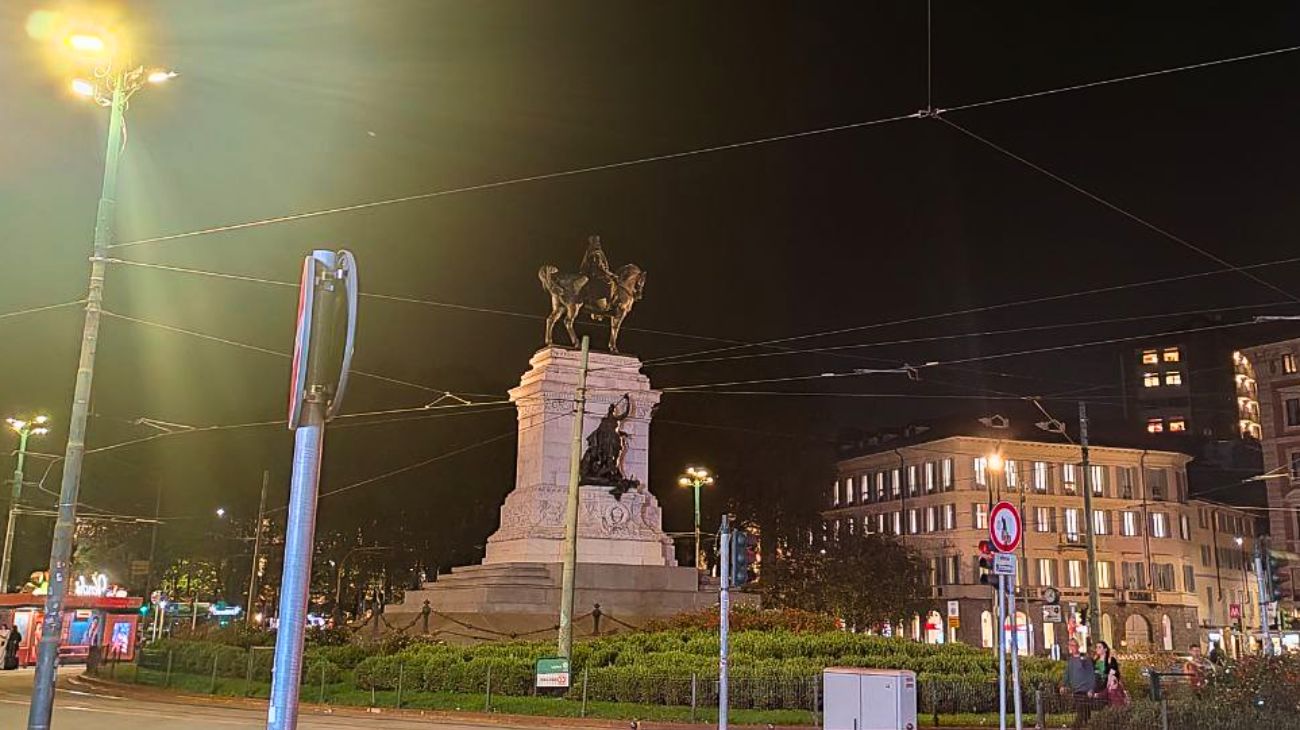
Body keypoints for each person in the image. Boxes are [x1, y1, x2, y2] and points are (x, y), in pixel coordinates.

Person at [1061, 639, 1097, 728]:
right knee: (1085, 713)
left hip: (1085, 690)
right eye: (1070, 645)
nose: (1071, 648)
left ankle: (1075, 727)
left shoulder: (1085, 659)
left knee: (1083, 712)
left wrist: (1091, 689)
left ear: (1078, 647)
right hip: (1077, 690)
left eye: (1073, 645)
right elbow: (1067, 674)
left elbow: (1090, 674)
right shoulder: (1070, 661)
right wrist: (1063, 685)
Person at [1094, 641, 1125, 706]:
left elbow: (1113, 674)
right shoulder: (1096, 661)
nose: (1097, 649)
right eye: (1096, 647)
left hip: (1109, 687)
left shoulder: (1111, 660)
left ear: (1105, 649)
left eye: (1099, 647)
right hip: (1099, 687)